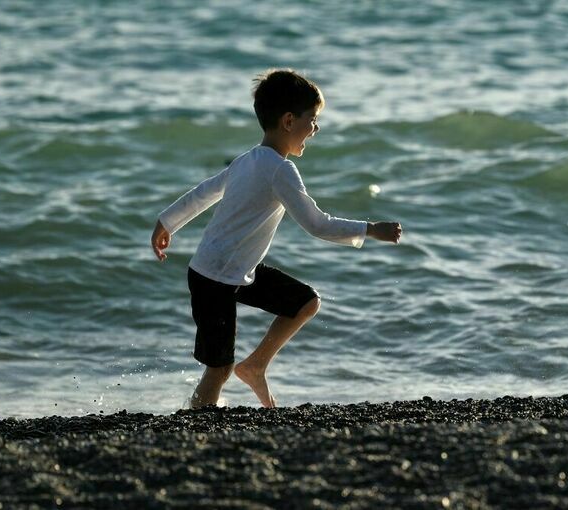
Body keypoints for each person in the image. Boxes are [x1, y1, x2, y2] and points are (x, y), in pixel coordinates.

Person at [150, 69, 402, 409]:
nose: (315, 128)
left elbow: (203, 192)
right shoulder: (280, 170)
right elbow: (316, 224)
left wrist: (166, 222)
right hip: (215, 278)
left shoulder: (248, 159)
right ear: (288, 121)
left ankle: (255, 366)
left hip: (235, 270)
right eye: (312, 120)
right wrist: (370, 229)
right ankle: (197, 424)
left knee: (305, 302)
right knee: (219, 367)